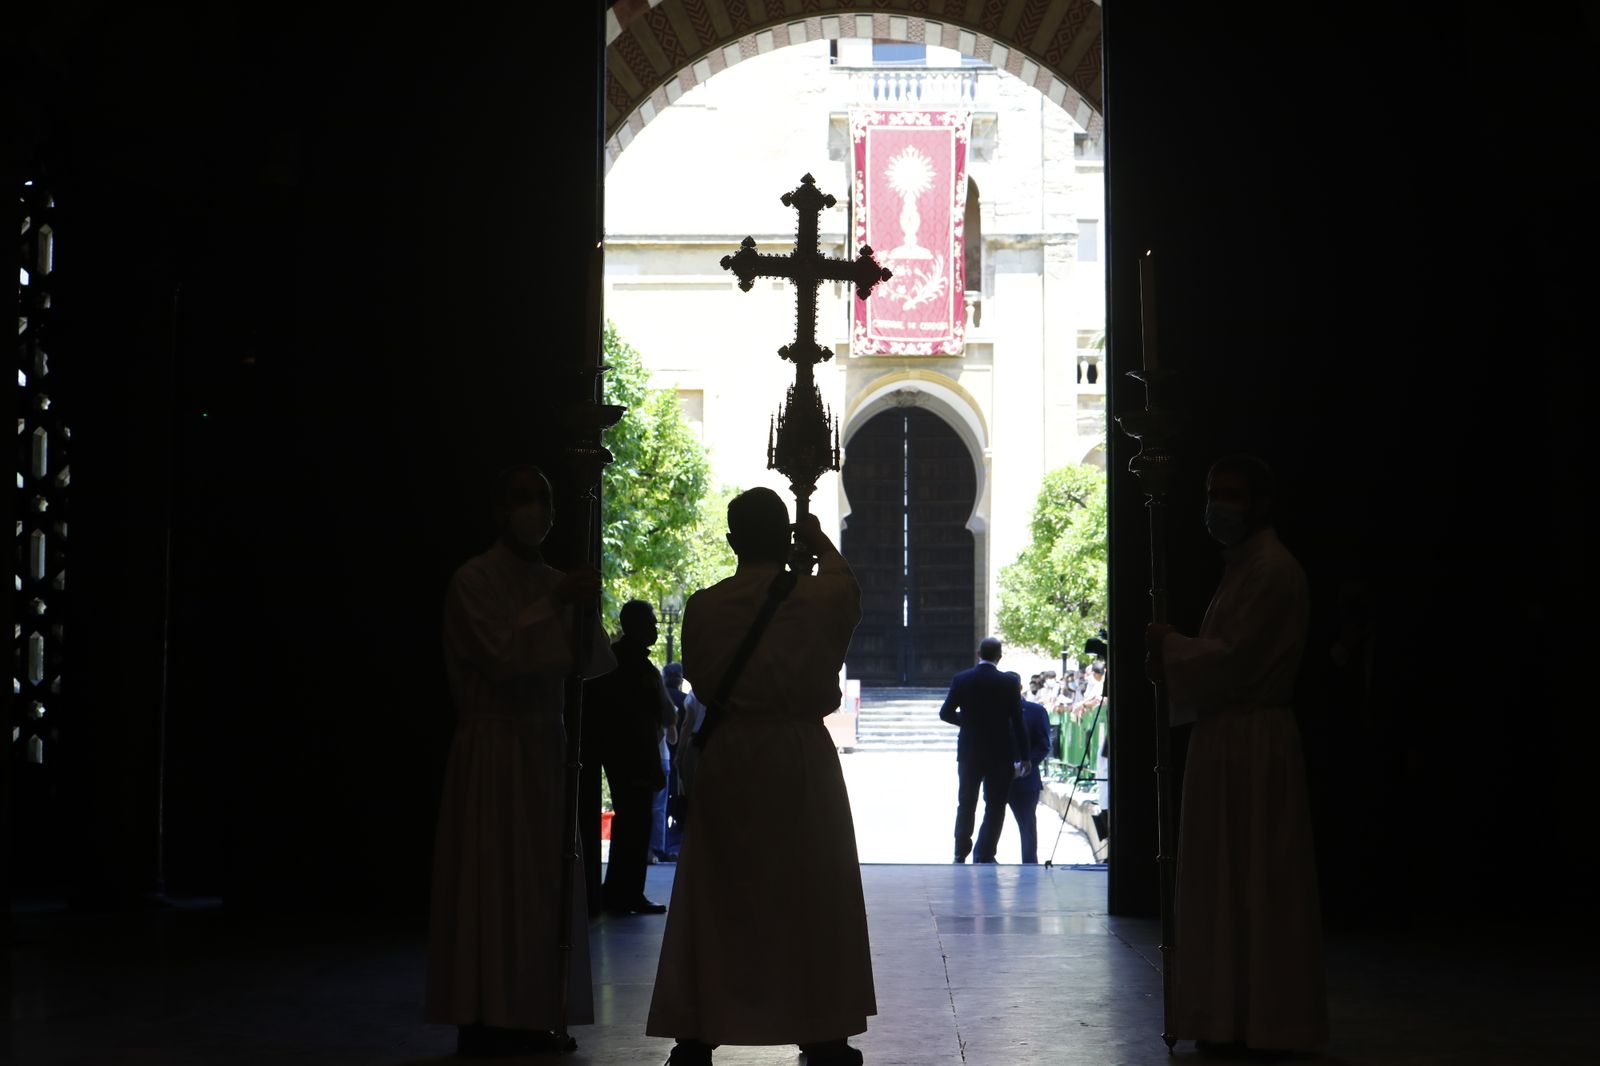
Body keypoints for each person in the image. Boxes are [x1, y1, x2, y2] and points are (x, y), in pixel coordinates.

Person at [646, 489, 874, 1066]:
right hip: (799, 757)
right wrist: (819, 543)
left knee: (717, 895)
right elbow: (850, 591)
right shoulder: (821, 597)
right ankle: (822, 1029)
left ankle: (697, 1030)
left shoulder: (704, 607)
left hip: (729, 758)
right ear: (786, 538)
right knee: (810, 893)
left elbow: (699, 676)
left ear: (731, 542)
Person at [425, 465, 616, 1058]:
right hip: (493, 751)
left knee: (540, 883)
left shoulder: (559, 581)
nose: (534, 510)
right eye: (522, 498)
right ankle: (482, 1012)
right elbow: (501, 655)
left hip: (542, 749)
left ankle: (538, 1008)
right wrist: (558, 601)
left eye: (543, 500)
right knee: (489, 878)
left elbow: (590, 662)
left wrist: (584, 607)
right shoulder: (473, 581)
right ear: (500, 508)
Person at [1144, 453, 1327, 1056]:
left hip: (1252, 743)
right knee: (1227, 879)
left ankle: (1260, 1019)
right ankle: (1229, 1013)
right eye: (1212, 491)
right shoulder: (1244, 569)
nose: (1218, 505)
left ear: (1261, 503)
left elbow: (1236, 661)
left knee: (1253, 879)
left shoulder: (1271, 572)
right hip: (1229, 741)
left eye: (1231, 493)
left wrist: (1170, 646)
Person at [586, 599, 677, 916]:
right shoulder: (641, 669)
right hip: (636, 756)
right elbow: (662, 715)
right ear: (638, 626)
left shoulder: (611, 663)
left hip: (616, 755)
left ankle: (617, 891)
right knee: (636, 826)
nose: (656, 627)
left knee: (629, 824)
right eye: (652, 622)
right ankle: (629, 893)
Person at [939, 637, 1029, 864]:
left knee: (967, 802)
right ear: (1000, 656)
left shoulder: (962, 679)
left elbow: (946, 713)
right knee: (996, 805)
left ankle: (960, 852)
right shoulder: (1009, 683)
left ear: (978, 654)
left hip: (970, 752)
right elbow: (1018, 721)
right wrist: (1026, 757)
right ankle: (986, 853)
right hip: (1001, 753)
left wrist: (968, 722)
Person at [1006, 672, 1052, 864]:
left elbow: (1043, 744)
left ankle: (1029, 863)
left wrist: (1026, 764)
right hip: (999, 776)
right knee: (991, 821)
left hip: (1026, 778)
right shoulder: (993, 711)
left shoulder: (1035, 711)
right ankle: (984, 857)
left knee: (1027, 825)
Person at [658, 661, 688, 861]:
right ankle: (675, 845)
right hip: (679, 757)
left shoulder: (662, 697)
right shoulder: (686, 700)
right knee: (678, 803)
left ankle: (660, 844)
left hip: (660, 753)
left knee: (660, 806)